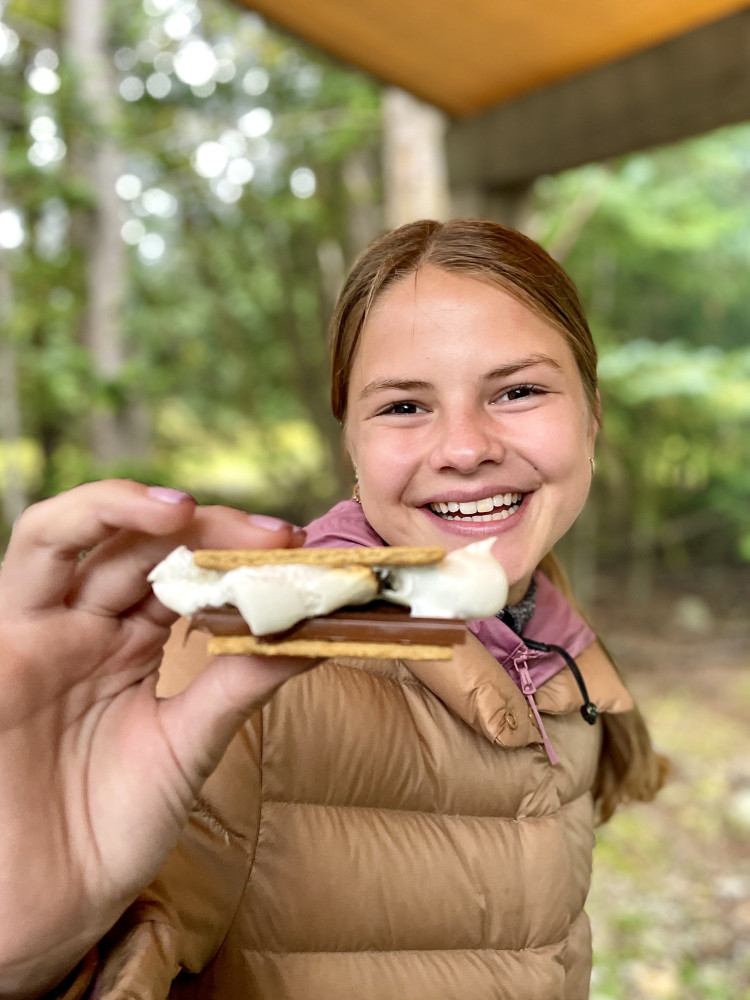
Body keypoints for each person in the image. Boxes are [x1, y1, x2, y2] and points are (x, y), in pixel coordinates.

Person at [0, 219, 666, 1000]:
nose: (463, 447)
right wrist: (32, 959)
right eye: (405, 407)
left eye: (517, 391)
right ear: (350, 436)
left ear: (592, 412)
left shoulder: (555, 646)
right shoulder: (240, 672)